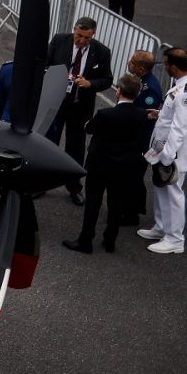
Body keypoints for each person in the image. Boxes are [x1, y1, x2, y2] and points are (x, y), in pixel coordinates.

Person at [63, 74, 152, 254]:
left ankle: (86, 240)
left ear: (118, 91)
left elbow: (89, 128)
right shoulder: (141, 114)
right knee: (116, 204)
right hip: (124, 166)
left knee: (93, 203)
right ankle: (110, 240)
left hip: (100, 164)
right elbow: (147, 118)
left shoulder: (105, 114)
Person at [47, 17, 114, 204]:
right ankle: (42, 183)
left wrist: (90, 83)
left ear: (93, 35)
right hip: (55, 103)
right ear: (74, 29)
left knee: (75, 148)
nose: (82, 41)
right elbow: (45, 63)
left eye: (87, 38)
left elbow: (107, 79)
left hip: (79, 107)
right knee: (48, 143)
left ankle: (74, 187)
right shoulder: (60, 40)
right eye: (79, 36)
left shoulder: (101, 52)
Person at [140, 48, 187, 255]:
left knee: (173, 193)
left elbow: (180, 127)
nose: (164, 68)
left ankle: (174, 238)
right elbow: (172, 116)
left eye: (165, 64)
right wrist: (160, 114)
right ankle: (161, 227)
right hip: (164, 148)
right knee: (161, 188)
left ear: (173, 66)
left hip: (173, 152)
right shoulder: (182, 86)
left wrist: (167, 155)